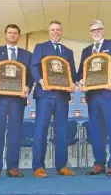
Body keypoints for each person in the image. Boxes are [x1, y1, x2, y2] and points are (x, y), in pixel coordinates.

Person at [0, 24, 34, 180]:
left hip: (17, 100)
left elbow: (31, 74)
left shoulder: (27, 54)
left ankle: (12, 167)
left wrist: (28, 86)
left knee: (15, 133)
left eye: (15, 33)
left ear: (19, 36)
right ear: (5, 35)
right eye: (10, 33)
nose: (12, 35)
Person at [77, 20, 111, 177]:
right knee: (96, 130)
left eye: (98, 29)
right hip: (92, 95)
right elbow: (80, 72)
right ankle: (99, 163)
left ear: (103, 30)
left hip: (110, 92)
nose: (96, 32)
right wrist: (81, 81)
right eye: (93, 30)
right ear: (90, 33)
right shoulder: (86, 51)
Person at [30, 20, 77, 178]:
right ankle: (38, 167)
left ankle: (62, 166)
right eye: (53, 29)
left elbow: (73, 72)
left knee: (62, 131)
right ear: (49, 32)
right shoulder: (40, 47)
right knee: (41, 130)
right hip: (44, 94)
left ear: (61, 32)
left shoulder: (68, 51)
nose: (55, 32)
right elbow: (34, 66)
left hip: (62, 96)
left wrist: (72, 83)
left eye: (58, 29)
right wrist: (41, 81)